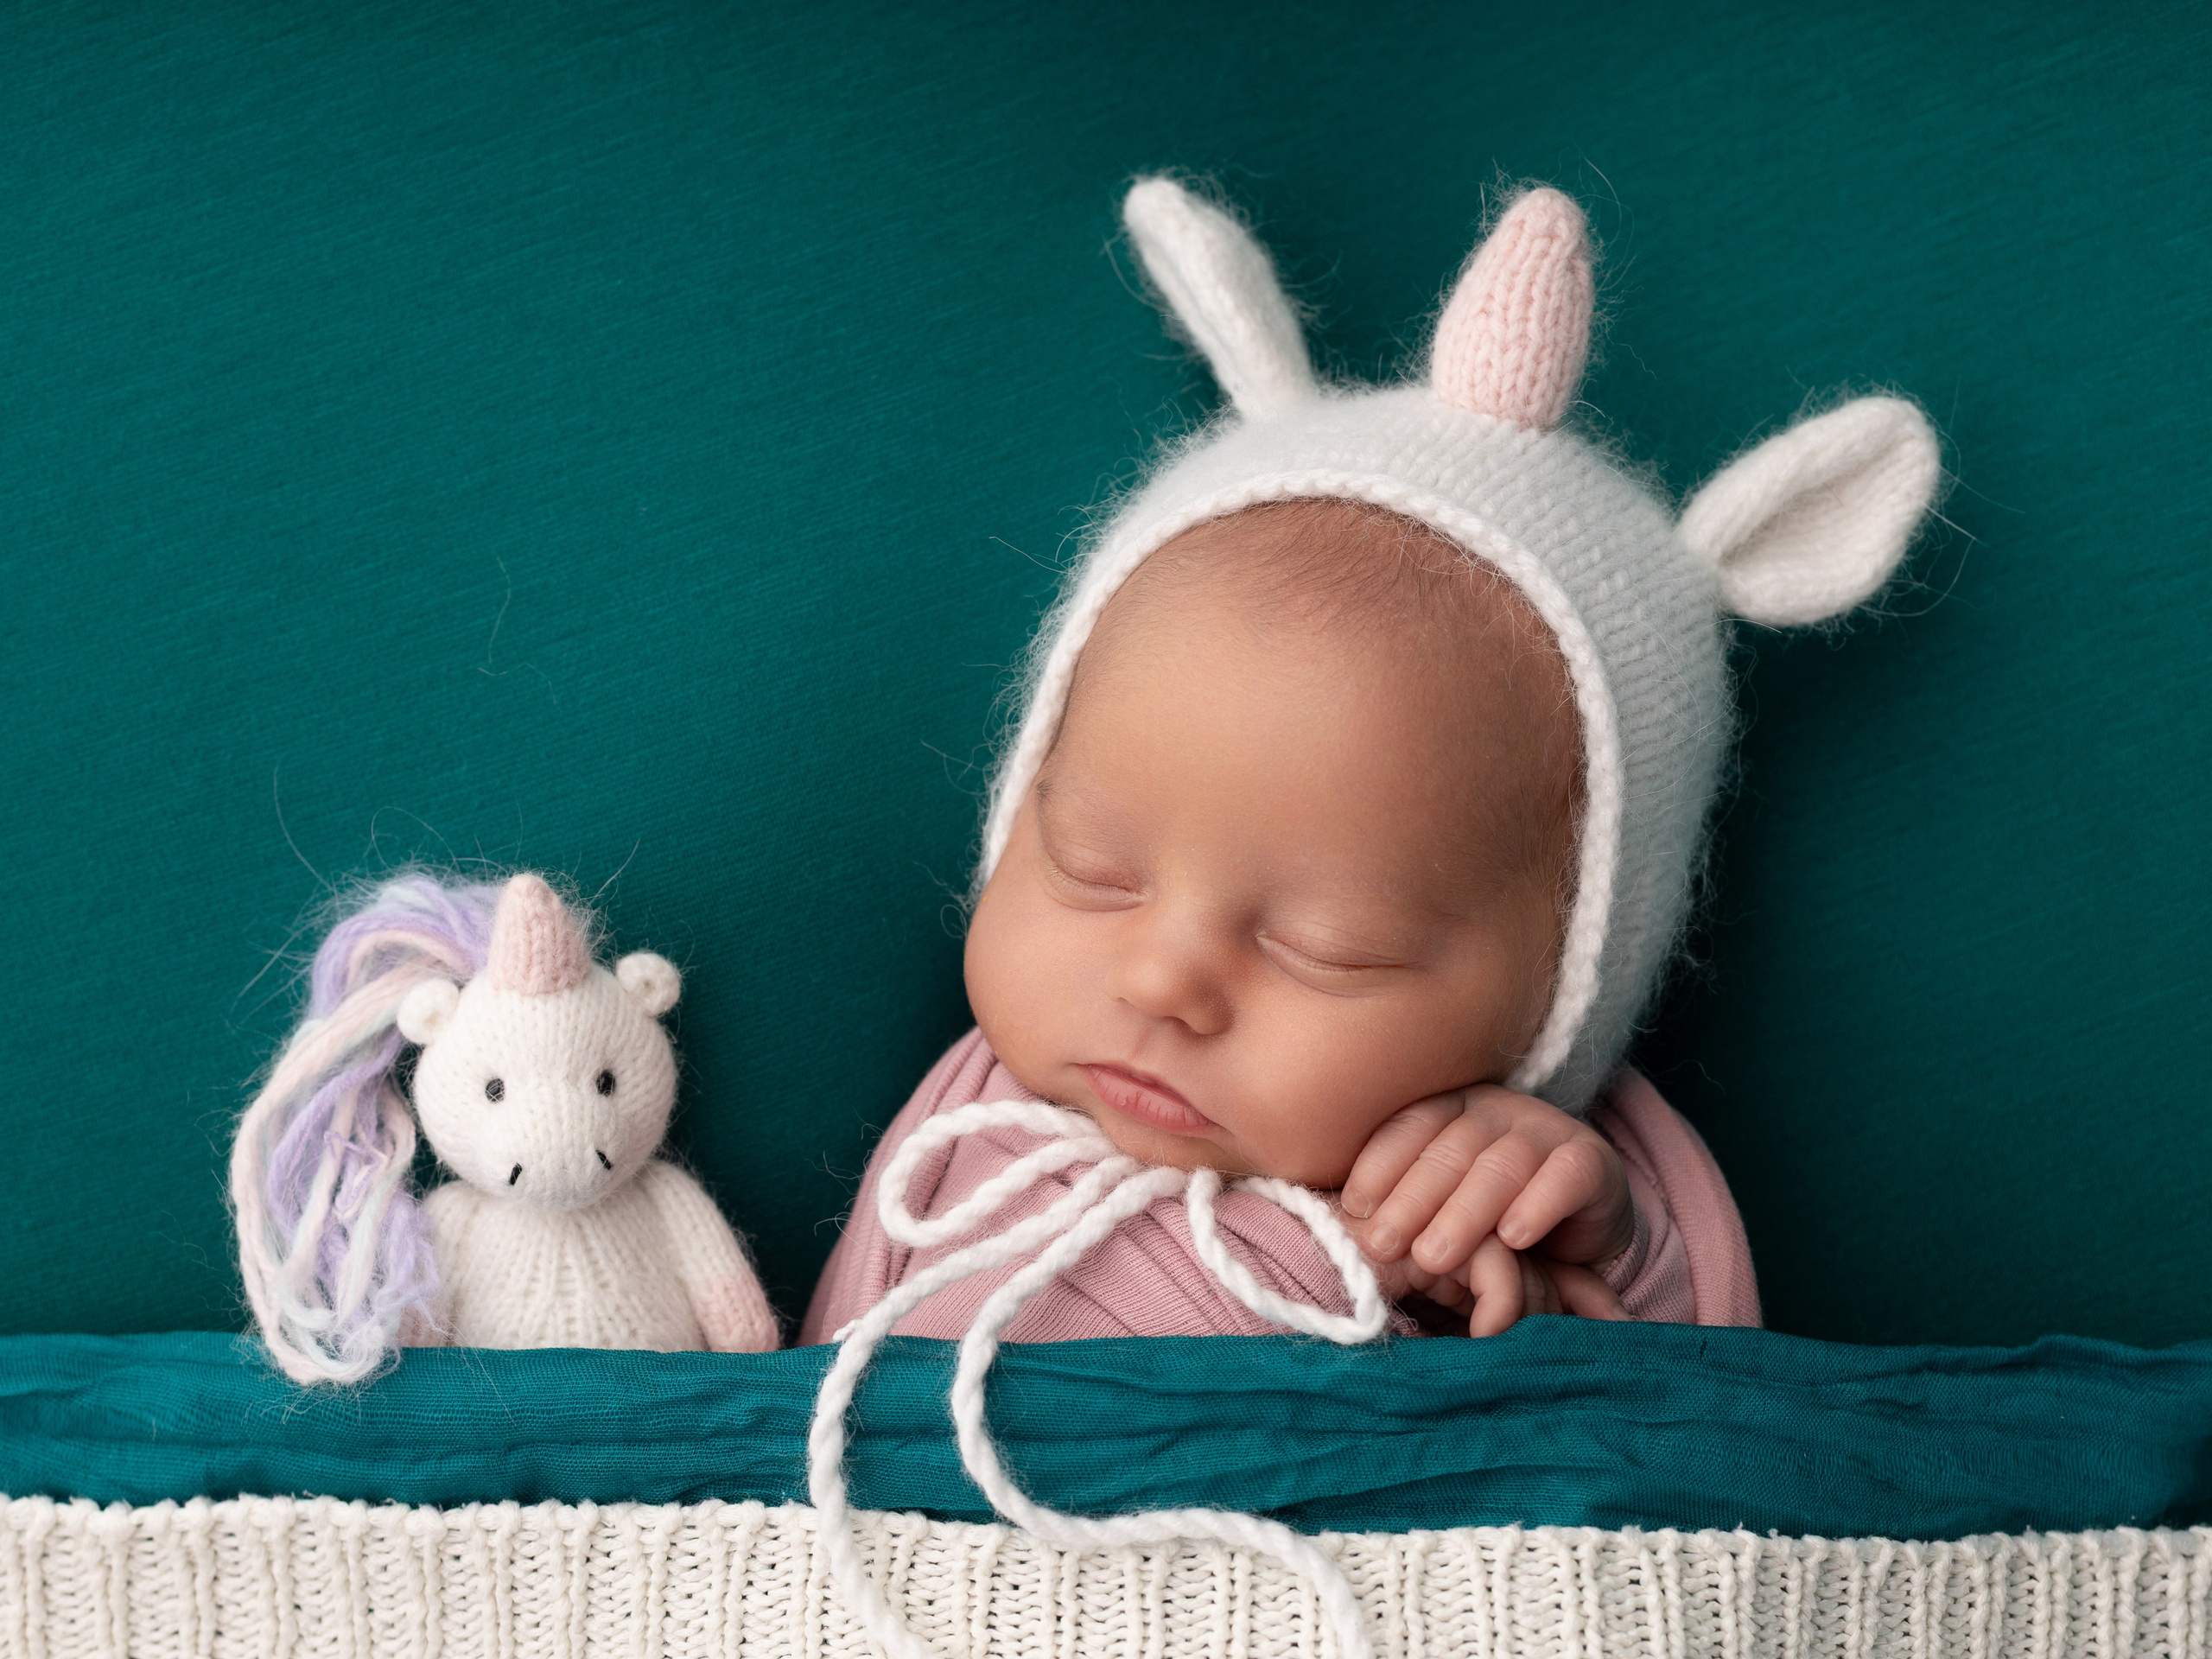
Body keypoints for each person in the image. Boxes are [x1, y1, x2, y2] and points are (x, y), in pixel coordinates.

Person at [802, 176, 1941, 1346]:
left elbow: (1680, 1468)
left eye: (1327, 947)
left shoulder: (1510, 1202)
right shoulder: (973, 1133)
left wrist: (1579, 1276)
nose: (1161, 982)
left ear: (1561, 996)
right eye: (1092, 868)